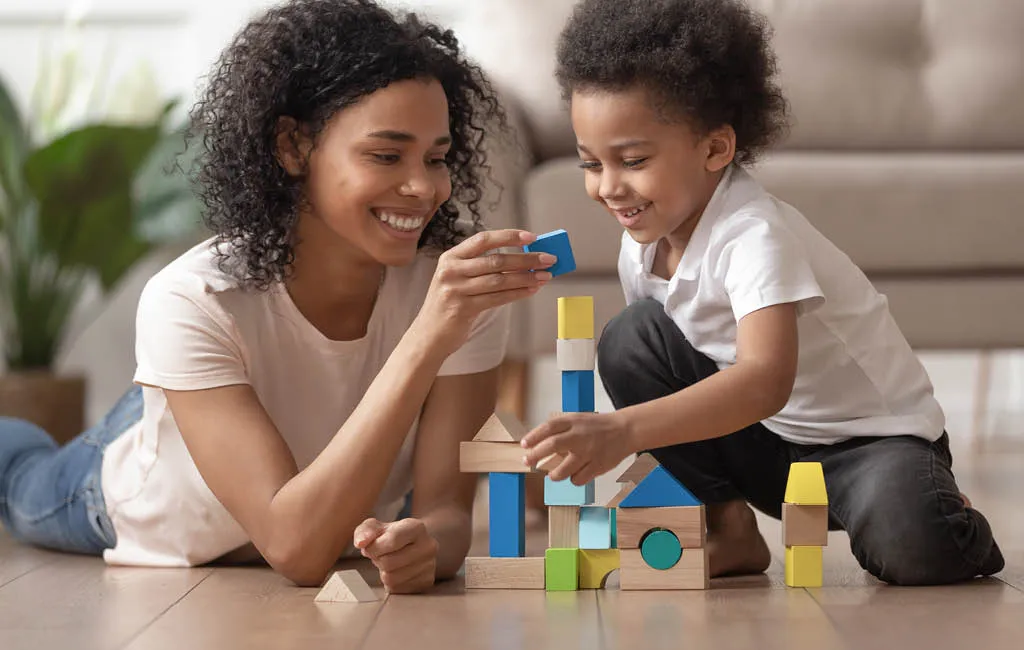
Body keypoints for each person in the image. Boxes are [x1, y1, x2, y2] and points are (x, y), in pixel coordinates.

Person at [0, 0, 556, 593]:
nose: (423, 187)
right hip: (146, 489)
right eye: (386, 155)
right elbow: (297, 550)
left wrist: (429, 547)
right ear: (292, 147)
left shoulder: (454, 289)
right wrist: (427, 336)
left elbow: (446, 512)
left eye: (436, 158)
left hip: (243, 403)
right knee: (20, 475)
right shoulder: (193, 296)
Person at [520, 0, 1004, 586]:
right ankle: (729, 530)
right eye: (590, 164)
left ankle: (947, 514)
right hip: (762, 445)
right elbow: (671, 376)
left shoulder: (755, 236)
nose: (608, 187)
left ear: (715, 150)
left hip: (867, 446)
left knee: (913, 546)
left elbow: (764, 380)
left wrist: (622, 431)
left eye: (633, 160)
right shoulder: (643, 243)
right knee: (631, 339)